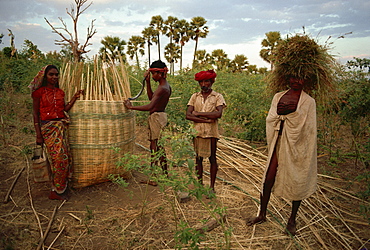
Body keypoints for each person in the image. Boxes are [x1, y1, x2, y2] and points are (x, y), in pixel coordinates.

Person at [246, 76, 317, 235]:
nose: (295, 81)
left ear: (306, 80)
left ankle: (292, 220)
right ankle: (262, 214)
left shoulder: (309, 102)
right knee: (268, 178)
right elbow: (271, 117)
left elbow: (309, 127)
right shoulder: (278, 96)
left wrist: (290, 113)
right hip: (278, 142)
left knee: (297, 178)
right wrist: (283, 113)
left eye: (300, 78)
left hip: (297, 145)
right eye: (293, 77)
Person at [30, 65, 84, 200]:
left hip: (60, 128)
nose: (54, 77)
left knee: (65, 158)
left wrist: (75, 97)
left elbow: (64, 108)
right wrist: (38, 135)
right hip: (48, 129)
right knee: (57, 159)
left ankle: (60, 188)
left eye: (56, 75)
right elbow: (35, 114)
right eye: (51, 74)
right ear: (45, 76)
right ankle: (55, 191)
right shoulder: (39, 93)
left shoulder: (60, 92)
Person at [124, 60, 171, 173]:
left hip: (157, 118)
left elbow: (150, 106)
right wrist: (148, 83)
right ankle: (164, 174)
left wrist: (131, 107)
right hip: (159, 117)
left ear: (159, 73)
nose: (152, 76)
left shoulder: (162, 88)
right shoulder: (164, 86)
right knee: (158, 146)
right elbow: (152, 98)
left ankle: (153, 176)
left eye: (153, 73)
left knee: (155, 147)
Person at [186, 70, 226, 194]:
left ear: (211, 82)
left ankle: (212, 187)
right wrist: (206, 119)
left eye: (207, 81)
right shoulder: (194, 96)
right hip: (197, 132)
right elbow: (188, 115)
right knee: (198, 159)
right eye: (201, 81)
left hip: (211, 133)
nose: (204, 84)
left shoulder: (217, 96)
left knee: (212, 159)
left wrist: (198, 114)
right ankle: (199, 184)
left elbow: (218, 114)